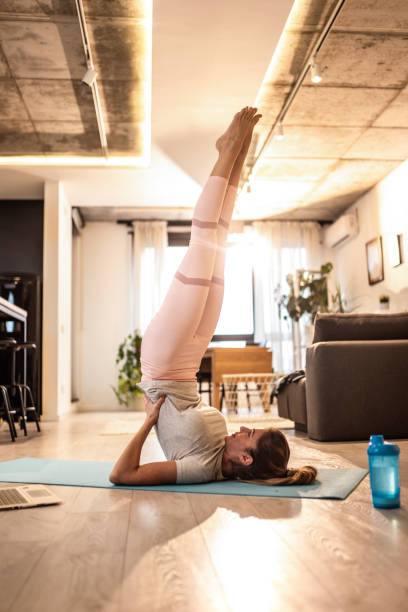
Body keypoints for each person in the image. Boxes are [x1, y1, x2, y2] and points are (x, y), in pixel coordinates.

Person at [110, 107, 316, 487]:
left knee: (203, 240)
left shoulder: (200, 469)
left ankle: (227, 150)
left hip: (162, 361)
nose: (240, 429)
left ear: (244, 457)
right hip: (185, 366)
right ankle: (238, 153)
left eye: (247, 436)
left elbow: (121, 475)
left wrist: (147, 424)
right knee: (218, 243)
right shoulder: (222, 445)